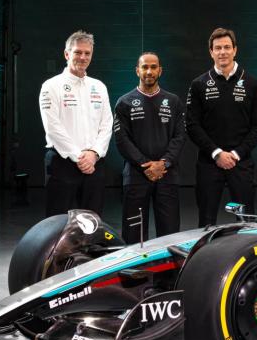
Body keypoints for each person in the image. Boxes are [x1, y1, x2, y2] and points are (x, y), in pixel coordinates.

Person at [186, 28, 257, 226]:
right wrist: (217, 153)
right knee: (206, 222)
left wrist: (236, 154)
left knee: (246, 222)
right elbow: (192, 125)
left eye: (227, 47)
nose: (223, 52)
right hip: (209, 163)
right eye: (218, 48)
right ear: (211, 52)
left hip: (241, 163)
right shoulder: (199, 84)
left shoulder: (252, 84)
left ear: (235, 50)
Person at [113, 52, 185, 244]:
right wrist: (145, 164)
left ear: (160, 71)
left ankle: (168, 272)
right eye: (145, 67)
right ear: (137, 70)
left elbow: (179, 137)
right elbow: (122, 139)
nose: (149, 71)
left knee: (169, 233)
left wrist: (164, 163)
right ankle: (135, 273)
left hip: (167, 175)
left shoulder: (173, 101)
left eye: (153, 67)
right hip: (136, 176)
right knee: (133, 233)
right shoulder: (124, 102)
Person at [39, 30, 113, 217]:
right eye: (78, 52)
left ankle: (89, 248)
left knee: (92, 222)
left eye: (87, 53)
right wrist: (79, 157)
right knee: (58, 223)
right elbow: (53, 128)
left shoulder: (99, 86)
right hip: (62, 164)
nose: (82, 57)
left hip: (94, 164)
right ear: (66, 54)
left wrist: (94, 154)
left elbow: (107, 124)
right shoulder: (51, 86)